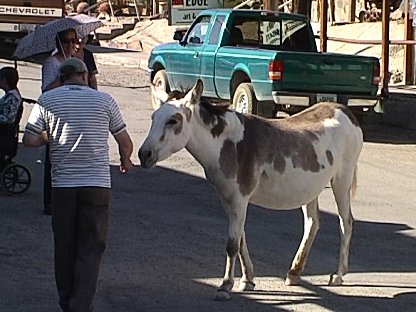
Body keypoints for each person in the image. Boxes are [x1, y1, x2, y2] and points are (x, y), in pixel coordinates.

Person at [23, 58, 133, 312]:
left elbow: (29, 140)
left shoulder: (48, 100)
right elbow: (125, 141)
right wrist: (125, 160)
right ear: (85, 76)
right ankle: (81, 306)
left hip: (62, 187)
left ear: (62, 77)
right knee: (90, 248)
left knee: (64, 246)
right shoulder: (105, 100)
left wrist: (49, 135)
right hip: (97, 185)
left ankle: (66, 302)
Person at [41, 28, 78, 215]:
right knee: (53, 159)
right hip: (56, 115)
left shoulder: (75, 62)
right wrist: (62, 79)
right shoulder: (52, 63)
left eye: (74, 40)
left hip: (73, 114)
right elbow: (46, 91)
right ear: (58, 43)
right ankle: (50, 202)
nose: (71, 45)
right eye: (66, 41)